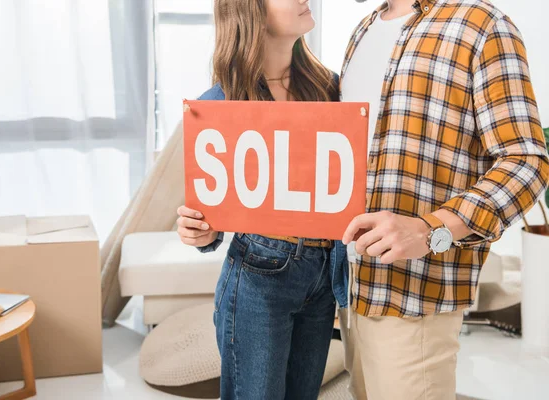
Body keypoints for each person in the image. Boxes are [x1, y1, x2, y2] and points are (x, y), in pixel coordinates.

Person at [338, 0, 549, 399]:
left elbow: (527, 162)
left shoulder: (480, 24)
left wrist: (430, 228)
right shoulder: (363, 32)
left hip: (416, 294)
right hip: (350, 291)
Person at [176, 1, 348, 399]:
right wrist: (199, 231)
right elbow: (210, 215)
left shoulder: (331, 88)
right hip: (258, 275)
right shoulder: (221, 101)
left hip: (323, 277)